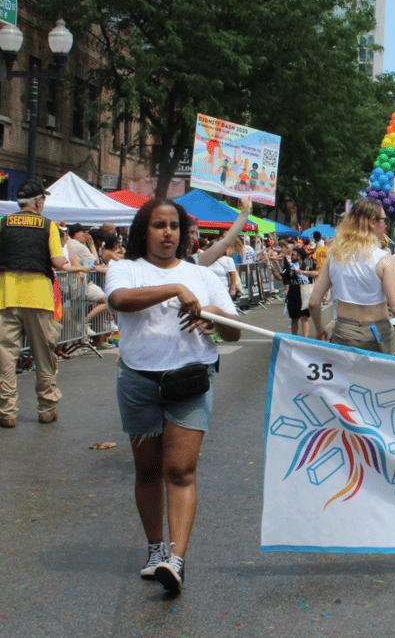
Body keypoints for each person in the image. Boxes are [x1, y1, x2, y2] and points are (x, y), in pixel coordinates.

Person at [104, 198, 241, 594]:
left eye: (174, 226)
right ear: (142, 231)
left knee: (180, 470)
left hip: (190, 382)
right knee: (147, 470)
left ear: (182, 233)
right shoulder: (124, 268)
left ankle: (175, 560)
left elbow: (232, 331)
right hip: (139, 383)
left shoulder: (204, 276)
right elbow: (119, 301)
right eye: (158, 225)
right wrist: (176, 289)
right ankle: (154, 549)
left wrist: (211, 312)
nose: (167, 233)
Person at [307, 200, 395, 361]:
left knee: (347, 383)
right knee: (381, 384)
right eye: (384, 221)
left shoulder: (334, 256)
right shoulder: (384, 259)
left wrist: (320, 327)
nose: (385, 226)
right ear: (372, 222)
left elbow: (314, 302)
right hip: (377, 333)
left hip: (343, 330)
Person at [0, 181, 68, 428]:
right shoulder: (48, 226)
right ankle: (47, 409)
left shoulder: (3, 223)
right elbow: (58, 261)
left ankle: (7, 411)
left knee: (5, 356)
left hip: (6, 296)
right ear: (38, 201)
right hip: (39, 298)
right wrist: (80, 267)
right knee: (44, 354)